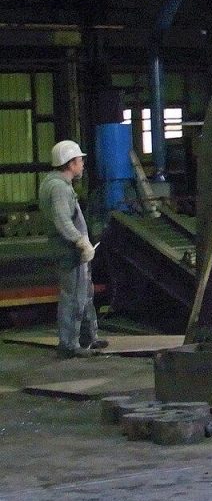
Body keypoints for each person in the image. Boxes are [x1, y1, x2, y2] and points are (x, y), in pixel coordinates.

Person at [39, 140, 109, 358]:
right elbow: (62, 221)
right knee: (73, 297)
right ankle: (69, 345)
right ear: (70, 164)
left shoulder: (57, 183)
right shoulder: (58, 188)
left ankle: (88, 338)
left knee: (85, 294)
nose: (82, 165)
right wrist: (80, 242)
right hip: (70, 252)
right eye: (79, 161)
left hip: (74, 251)